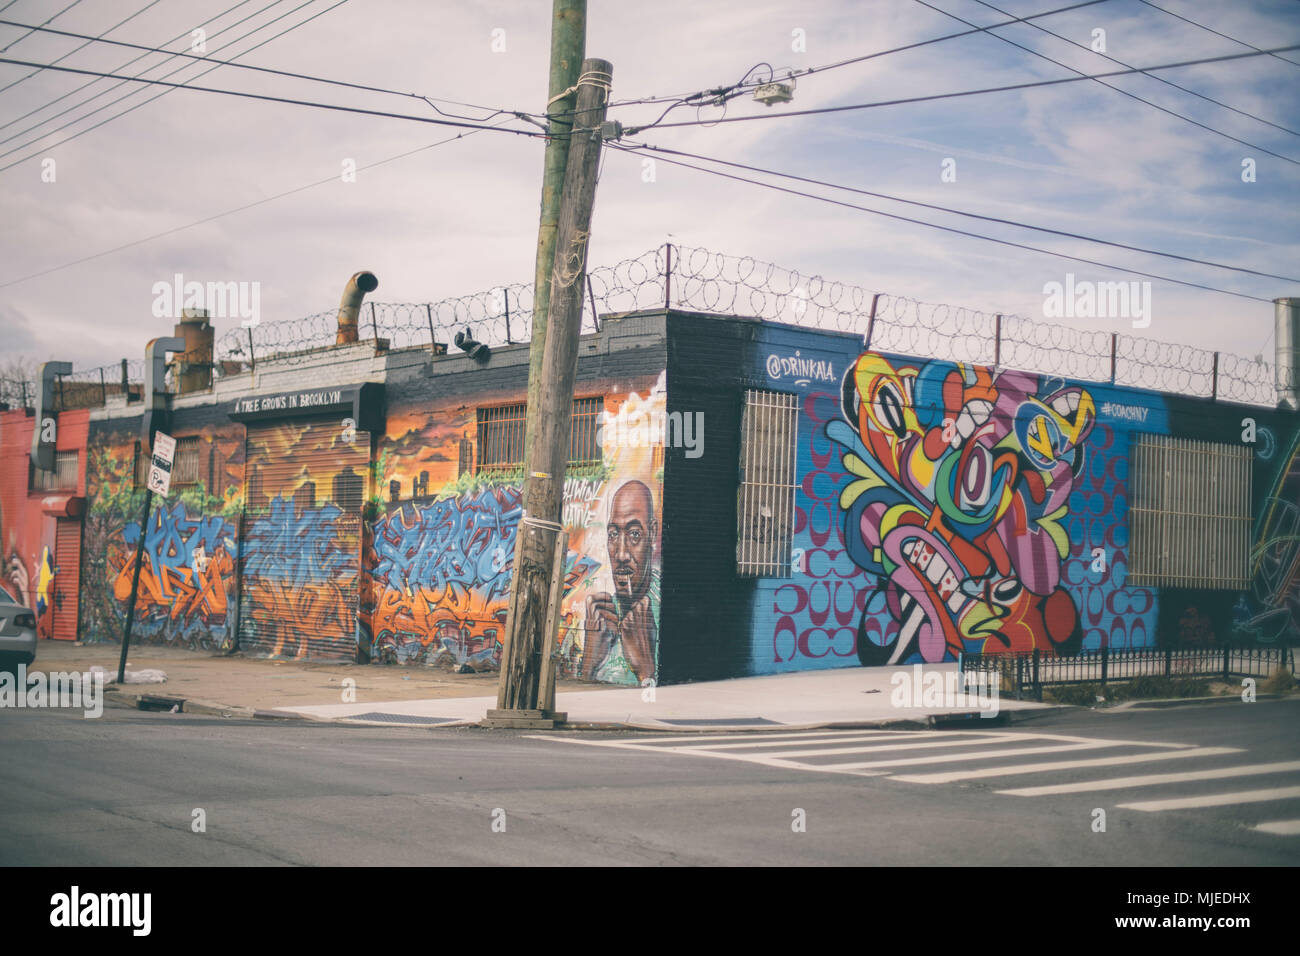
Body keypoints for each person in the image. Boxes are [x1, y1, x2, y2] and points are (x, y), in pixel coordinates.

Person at [583, 480, 659, 684]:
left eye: (634, 534)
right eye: (613, 535)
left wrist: (646, 671)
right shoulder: (598, 617)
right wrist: (589, 660)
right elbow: (579, 694)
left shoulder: (669, 612)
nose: (622, 554)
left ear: (652, 533)